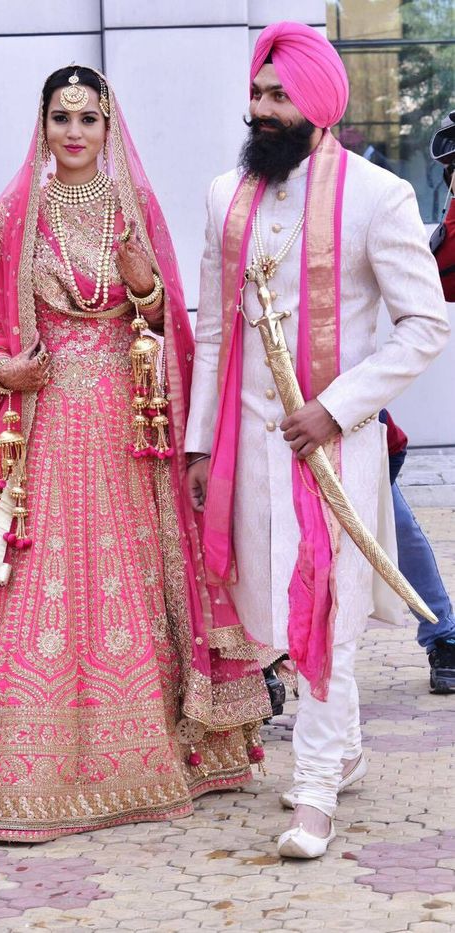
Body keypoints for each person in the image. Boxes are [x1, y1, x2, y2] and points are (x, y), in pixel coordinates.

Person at [0, 66, 273, 842]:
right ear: (42, 126)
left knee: (135, 575)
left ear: (108, 127)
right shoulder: (14, 216)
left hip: (131, 424)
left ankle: (150, 759)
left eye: (88, 118)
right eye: (61, 117)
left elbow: (171, 325)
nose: (74, 131)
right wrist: (4, 372)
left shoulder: (134, 207)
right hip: (48, 424)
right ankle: (22, 772)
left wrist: (146, 291)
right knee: (40, 574)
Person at [185, 22, 450, 858]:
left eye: (279, 96)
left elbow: (424, 324)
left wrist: (337, 407)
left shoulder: (378, 196)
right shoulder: (225, 195)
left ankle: (314, 791)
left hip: (335, 449)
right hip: (247, 450)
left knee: (324, 611)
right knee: (275, 610)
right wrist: (199, 445)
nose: (260, 109)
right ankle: (348, 747)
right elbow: (215, 332)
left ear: (320, 104)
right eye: (257, 94)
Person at [380, 410, 455, 693]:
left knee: (401, 530)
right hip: (275, 445)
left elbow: (396, 448)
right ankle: (266, 660)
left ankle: (443, 636)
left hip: (353, 440)